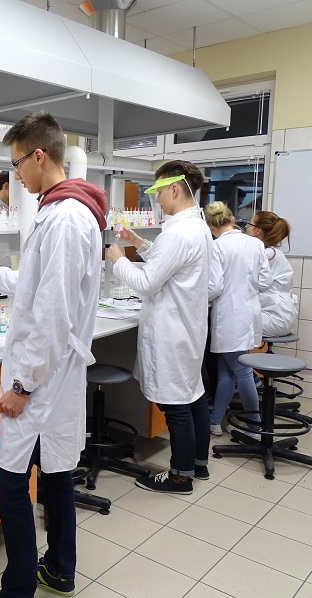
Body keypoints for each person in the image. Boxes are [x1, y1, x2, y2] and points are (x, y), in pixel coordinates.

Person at [0, 112, 106, 598]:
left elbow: (53, 314)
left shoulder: (65, 219)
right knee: (55, 474)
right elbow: (36, 284)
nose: (14, 174)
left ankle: (17, 590)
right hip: (54, 374)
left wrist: (21, 386)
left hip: (43, 378)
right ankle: (59, 570)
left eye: (16, 163)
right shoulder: (64, 210)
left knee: (9, 484)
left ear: (39, 156)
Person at [106, 160, 212, 495]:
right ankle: (198, 464)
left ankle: (180, 477)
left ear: (174, 189)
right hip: (187, 328)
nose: (157, 199)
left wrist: (119, 260)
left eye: (158, 191)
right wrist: (139, 241)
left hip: (172, 331)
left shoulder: (177, 233)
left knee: (176, 406)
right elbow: (171, 264)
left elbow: (148, 282)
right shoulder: (196, 227)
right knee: (193, 396)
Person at [204, 202, 271, 437]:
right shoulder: (255, 243)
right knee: (226, 372)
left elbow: (213, 288)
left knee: (241, 372)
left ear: (210, 227)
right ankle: (215, 421)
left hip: (229, 316)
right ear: (232, 219)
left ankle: (254, 426)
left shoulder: (216, 247)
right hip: (250, 313)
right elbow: (265, 282)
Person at [245, 210, 298, 337]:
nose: (246, 227)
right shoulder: (273, 253)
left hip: (275, 317)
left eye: (249, 224)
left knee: (231, 324)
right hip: (280, 313)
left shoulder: (268, 254)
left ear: (258, 231)